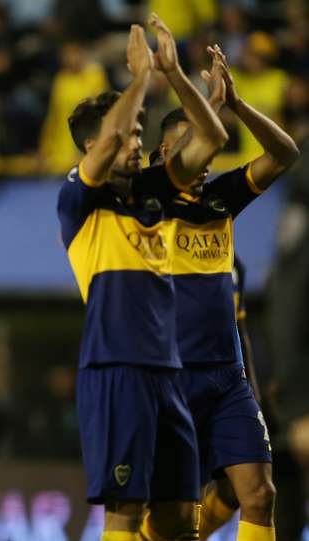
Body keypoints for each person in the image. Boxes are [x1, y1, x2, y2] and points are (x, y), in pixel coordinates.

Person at [57, 15, 228, 541]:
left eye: (137, 132)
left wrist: (174, 74)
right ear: (93, 148)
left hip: (167, 371)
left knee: (180, 517)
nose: (137, 141)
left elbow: (213, 137)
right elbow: (113, 135)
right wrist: (139, 79)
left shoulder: (155, 188)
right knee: (125, 512)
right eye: (130, 133)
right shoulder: (79, 199)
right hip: (117, 368)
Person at [154, 44, 298, 541]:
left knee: (259, 493)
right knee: (171, 519)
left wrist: (236, 103)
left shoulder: (221, 198)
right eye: (197, 142)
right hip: (169, 376)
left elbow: (284, 155)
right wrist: (194, 92)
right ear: (167, 153)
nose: (210, 151)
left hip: (226, 377)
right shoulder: (149, 200)